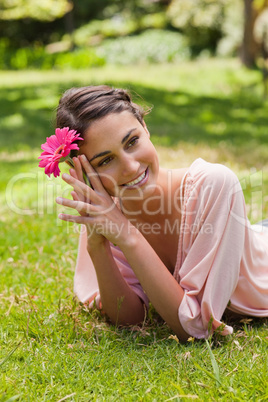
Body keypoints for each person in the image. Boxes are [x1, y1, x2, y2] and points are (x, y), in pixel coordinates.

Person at [55, 85, 268, 341]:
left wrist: (127, 235)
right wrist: (98, 245)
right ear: (84, 172)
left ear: (145, 127)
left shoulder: (214, 183)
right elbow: (130, 318)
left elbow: (197, 327)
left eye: (132, 141)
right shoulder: (107, 209)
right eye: (106, 161)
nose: (131, 167)